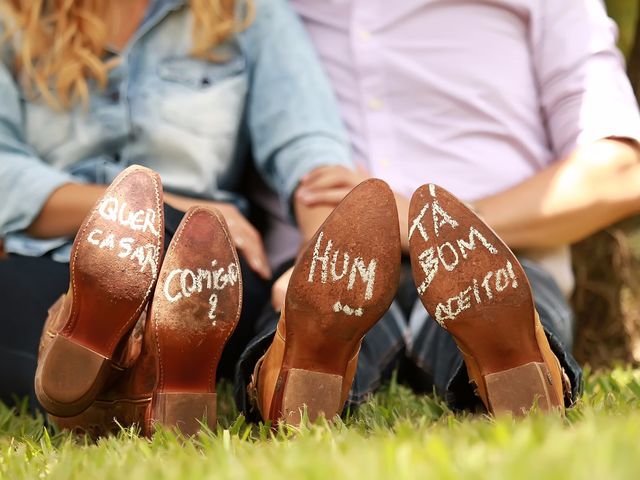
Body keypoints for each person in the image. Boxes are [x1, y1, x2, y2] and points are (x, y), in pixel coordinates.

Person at [237, 0, 640, 419]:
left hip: (494, 250)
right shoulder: (261, 10)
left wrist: (428, 224)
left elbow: (622, 170)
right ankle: (511, 373)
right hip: (330, 257)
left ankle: (294, 379)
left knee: (501, 295)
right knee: (313, 308)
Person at [0, 0, 352, 413]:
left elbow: (307, 146)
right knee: (25, 325)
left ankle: (116, 370)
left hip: (198, 253)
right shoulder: (13, 18)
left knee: (191, 278)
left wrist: (319, 259)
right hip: (52, 254)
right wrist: (152, 204)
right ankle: (160, 373)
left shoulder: (247, 10)